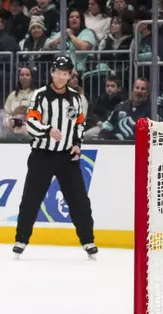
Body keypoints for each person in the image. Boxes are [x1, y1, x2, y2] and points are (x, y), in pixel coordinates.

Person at [13, 55, 98, 260]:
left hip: (67, 157)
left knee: (79, 200)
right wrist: (47, 130)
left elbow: (79, 124)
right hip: (42, 154)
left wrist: (78, 144)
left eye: (66, 74)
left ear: (70, 76)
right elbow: (31, 122)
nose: (61, 77)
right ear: (52, 73)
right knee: (31, 199)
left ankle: (88, 240)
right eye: (58, 72)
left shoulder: (75, 98)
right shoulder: (40, 95)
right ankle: (21, 239)